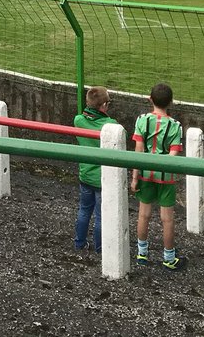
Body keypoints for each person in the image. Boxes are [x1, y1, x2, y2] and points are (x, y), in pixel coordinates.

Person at [130, 83, 186, 271]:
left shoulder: (142, 120)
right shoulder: (175, 126)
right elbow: (174, 154)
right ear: (170, 102)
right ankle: (169, 258)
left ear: (150, 99)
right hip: (166, 176)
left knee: (143, 214)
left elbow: (138, 150)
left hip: (145, 174)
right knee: (167, 219)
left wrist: (135, 177)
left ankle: (142, 253)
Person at [73, 86, 118, 252]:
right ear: (104, 105)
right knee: (101, 215)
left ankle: (79, 243)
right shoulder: (110, 125)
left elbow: (83, 118)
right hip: (101, 179)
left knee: (84, 210)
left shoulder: (78, 120)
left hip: (85, 176)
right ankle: (101, 248)